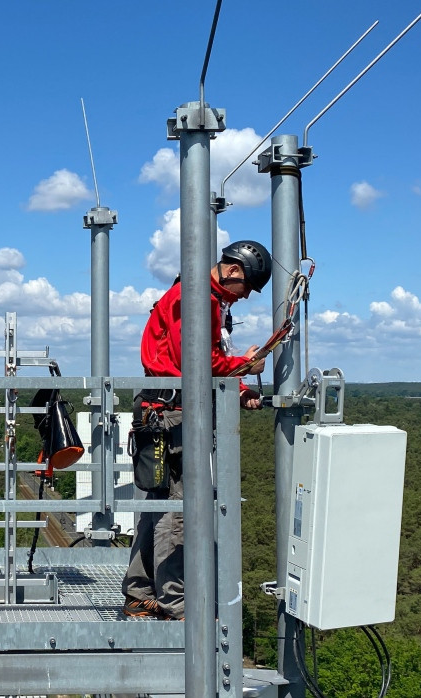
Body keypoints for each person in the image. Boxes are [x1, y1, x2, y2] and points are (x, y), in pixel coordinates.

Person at [121, 239, 272, 620]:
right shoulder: (197, 300)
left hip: (162, 409)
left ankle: (140, 592)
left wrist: (237, 390)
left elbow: (202, 362)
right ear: (233, 271)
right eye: (247, 289)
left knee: (158, 506)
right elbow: (198, 363)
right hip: (175, 415)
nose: (245, 297)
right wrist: (246, 364)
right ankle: (177, 605)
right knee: (179, 510)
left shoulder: (197, 298)